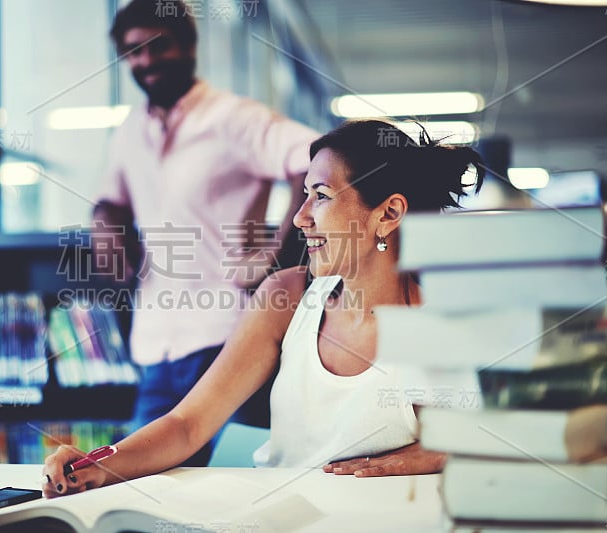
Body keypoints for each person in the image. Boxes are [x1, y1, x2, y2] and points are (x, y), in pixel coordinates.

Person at [43, 118, 486, 495]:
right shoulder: (288, 297)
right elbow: (187, 424)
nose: (300, 216)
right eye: (306, 194)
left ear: (388, 213)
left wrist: (454, 448)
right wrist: (101, 463)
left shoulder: (437, 322)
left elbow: (469, 440)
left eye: (322, 195)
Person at [90, 0, 319, 465]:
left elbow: (316, 155)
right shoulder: (129, 131)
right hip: (153, 342)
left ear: (189, 46)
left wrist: (278, 252)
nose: (146, 61)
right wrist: (103, 224)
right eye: (133, 52)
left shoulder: (235, 118)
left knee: (224, 495)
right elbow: (110, 198)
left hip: (225, 335)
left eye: (159, 46)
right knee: (138, 484)